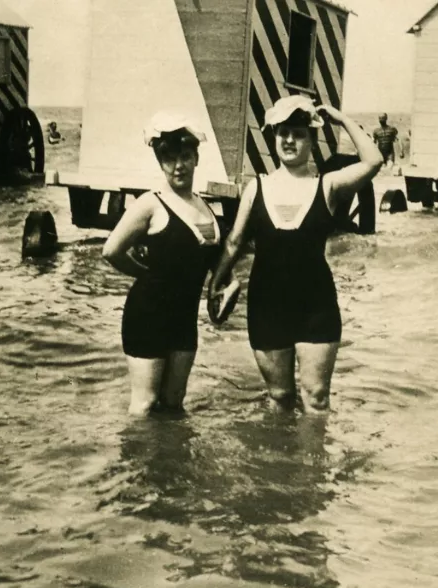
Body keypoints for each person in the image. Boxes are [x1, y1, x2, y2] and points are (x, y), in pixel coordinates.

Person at [208, 95, 383, 413]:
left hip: (316, 308)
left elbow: (373, 161)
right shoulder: (255, 188)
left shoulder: (328, 186)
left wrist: (341, 119)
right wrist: (215, 282)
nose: (289, 140)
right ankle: (278, 464)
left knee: (316, 399)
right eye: (282, 132)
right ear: (273, 136)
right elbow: (233, 243)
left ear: (312, 141)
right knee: (279, 398)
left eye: (299, 133)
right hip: (266, 307)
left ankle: (313, 464)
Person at [102, 112, 225, 416]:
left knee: (174, 404)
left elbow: (215, 260)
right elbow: (111, 250)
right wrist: (145, 274)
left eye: (185, 156)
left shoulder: (206, 208)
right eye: (169, 159)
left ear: (196, 158)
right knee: (144, 404)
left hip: (184, 319)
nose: (178, 166)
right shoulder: (150, 203)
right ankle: (133, 464)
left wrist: (226, 283)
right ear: (160, 162)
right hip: (147, 315)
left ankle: (169, 463)